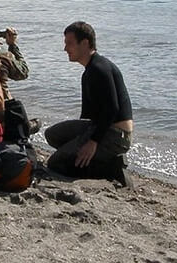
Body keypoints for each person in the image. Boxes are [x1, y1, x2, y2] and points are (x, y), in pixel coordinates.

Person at [44, 21, 134, 188]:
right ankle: (95, 159)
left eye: (69, 43)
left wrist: (92, 143)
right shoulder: (89, 72)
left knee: (55, 164)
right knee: (52, 134)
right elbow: (88, 116)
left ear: (85, 43)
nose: (65, 49)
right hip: (100, 127)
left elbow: (112, 109)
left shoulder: (100, 69)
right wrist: (80, 141)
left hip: (116, 135)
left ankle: (111, 168)